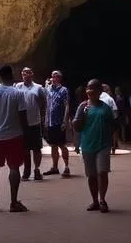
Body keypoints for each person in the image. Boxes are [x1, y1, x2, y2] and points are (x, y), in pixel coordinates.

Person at [0, 64, 29, 212]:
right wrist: (25, 133)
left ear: (0, 76)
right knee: (14, 167)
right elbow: (23, 115)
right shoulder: (18, 93)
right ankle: (14, 202)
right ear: (11, 75)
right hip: (14, 135)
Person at [72, 78, 114, 213]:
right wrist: (77, 143)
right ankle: (94, 201)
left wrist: (112, 142)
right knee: (91, 175)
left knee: (102, 172)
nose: (90, 91)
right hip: (88, 145)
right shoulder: (82, 106)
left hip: (103, 144)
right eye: (88, 88)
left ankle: (102, 200)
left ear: (99, 91)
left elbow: (112, 125)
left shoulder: (105, 108)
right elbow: (76, 126)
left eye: (93, 88)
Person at [15, 66, 47, 181]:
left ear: (32, 74)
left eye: (27, 72)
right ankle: (26, 171)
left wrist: (43, 119)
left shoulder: (38, 88)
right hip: (22, 123)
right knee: (25, 149)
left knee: (37, 148)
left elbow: (43, 104)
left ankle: (37, 169)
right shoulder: (17, 87)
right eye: (23, 72)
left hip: (35, 122)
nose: (25, 74)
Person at [42, 70, 71, 177]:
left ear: (60, 78)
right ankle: (55, 167)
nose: (53, 78)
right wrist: (45, 120)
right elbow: (47, 105)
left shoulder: (64, 90)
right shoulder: (49, 90)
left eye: (56, 76)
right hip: (50, 122)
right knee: (53, 145)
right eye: (52, 76)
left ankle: (67, 167)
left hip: (59, 121)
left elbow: (67, 105)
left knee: (62, 144)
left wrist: (65, 120)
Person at [73, 85, 86, 154]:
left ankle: (78, 147)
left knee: (79, 134)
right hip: (81, 122)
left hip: (80, 122)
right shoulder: (81, 103)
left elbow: (77, 116)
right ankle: (77, 147)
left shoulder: (83, 103)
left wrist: (74, 121)